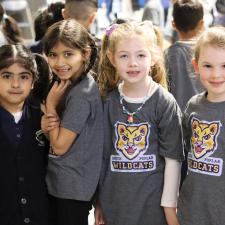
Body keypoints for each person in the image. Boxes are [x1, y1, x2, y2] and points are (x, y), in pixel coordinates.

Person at [95, 21, 184, 225]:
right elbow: (103, 155)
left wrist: (169, 208)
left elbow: (173, 159)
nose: (132, 63)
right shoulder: (107, 101)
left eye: (140, 55)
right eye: (124, 56)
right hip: (114, 206)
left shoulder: (163, 102)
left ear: (153, 57)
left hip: (153, 209)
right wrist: (99, 200)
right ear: (112, 58)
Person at [41, 19, 103, 225]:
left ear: (85, 54)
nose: (59, 63)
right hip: (67, 185)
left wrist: (50, 106)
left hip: (71, 187)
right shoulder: (71, 85)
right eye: (53, 55)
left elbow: (59, 146)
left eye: (68, 54)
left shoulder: (80, 94)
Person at [177, 26, 225, 225]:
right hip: (191, 212)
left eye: (224, 66)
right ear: (196, 66)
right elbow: (183, 155)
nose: (216, 74)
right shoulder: (193, 105)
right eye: (208, 66)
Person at [0, 44, 51, 225]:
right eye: (6, 76)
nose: (15, 84)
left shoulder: (44, 117)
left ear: (33, 81)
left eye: (24, 77)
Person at [164, 0, 205, 112]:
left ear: (173, 24)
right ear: (201, 24)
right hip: (207, 119)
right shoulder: (208, 52)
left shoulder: (167, 55)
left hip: (177, 118)